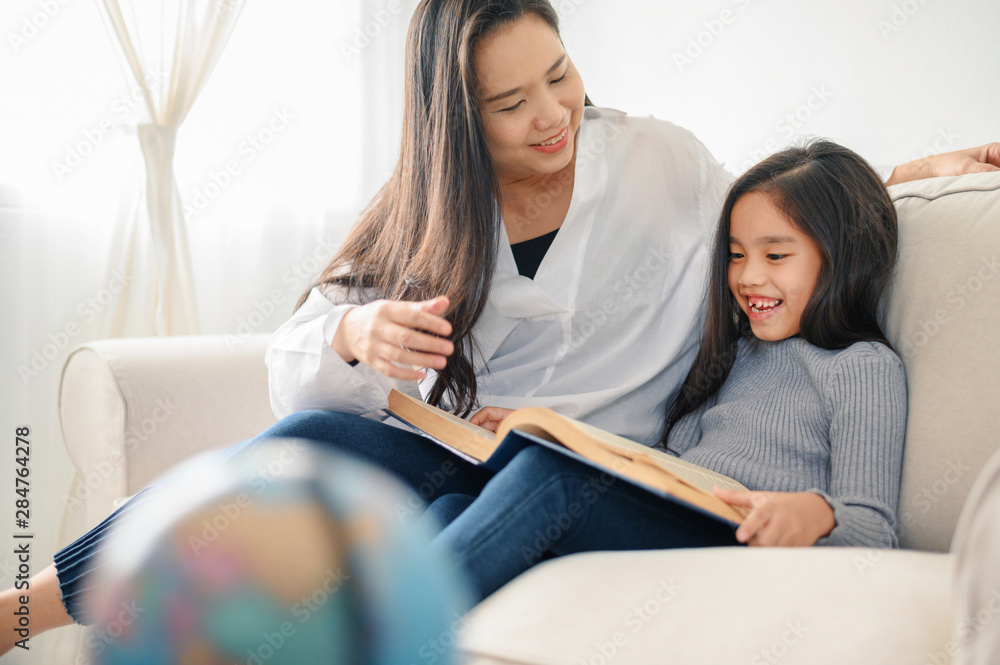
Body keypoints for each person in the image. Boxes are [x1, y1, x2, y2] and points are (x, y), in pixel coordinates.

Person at [1, 0, 997, 654]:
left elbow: (785, 211)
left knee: (538, 472)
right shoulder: (429, 204)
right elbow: (299, 351)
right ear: (454, 119)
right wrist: (358, 339)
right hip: (469, 446)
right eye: (511, 103)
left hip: (594, 469)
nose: (554, 113)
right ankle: (18, 610)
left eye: (559, 75)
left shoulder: (661, 166)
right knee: (304, 445)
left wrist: (911, 173)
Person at [427, 140, 906, 598]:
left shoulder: (863, 367)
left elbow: (874, 528)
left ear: (843, 256)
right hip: (681, 514)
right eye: (736, 255)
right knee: (454, 506)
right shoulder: (738, 353)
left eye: (775, 255)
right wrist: (557, 436)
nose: (747, 275)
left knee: (549, 483)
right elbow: (666, 460)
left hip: (738, 550)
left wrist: (818, 513)